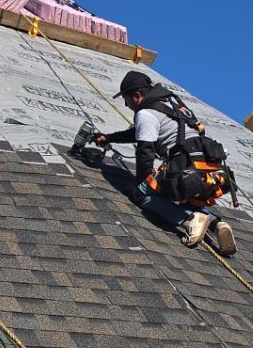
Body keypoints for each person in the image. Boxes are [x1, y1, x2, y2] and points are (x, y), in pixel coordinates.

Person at [90, 69, 236, 253]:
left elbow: (145, 151)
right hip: (209, 167)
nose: (126, 105)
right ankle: (218, 225)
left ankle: (189, 220)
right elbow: (139, 133)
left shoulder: (145, 113)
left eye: (126, 99)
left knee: (142, 193)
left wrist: (142, 182)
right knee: (186, 198)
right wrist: (109, 138)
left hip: (185, 167)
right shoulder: (169, 102)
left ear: (137, 95)